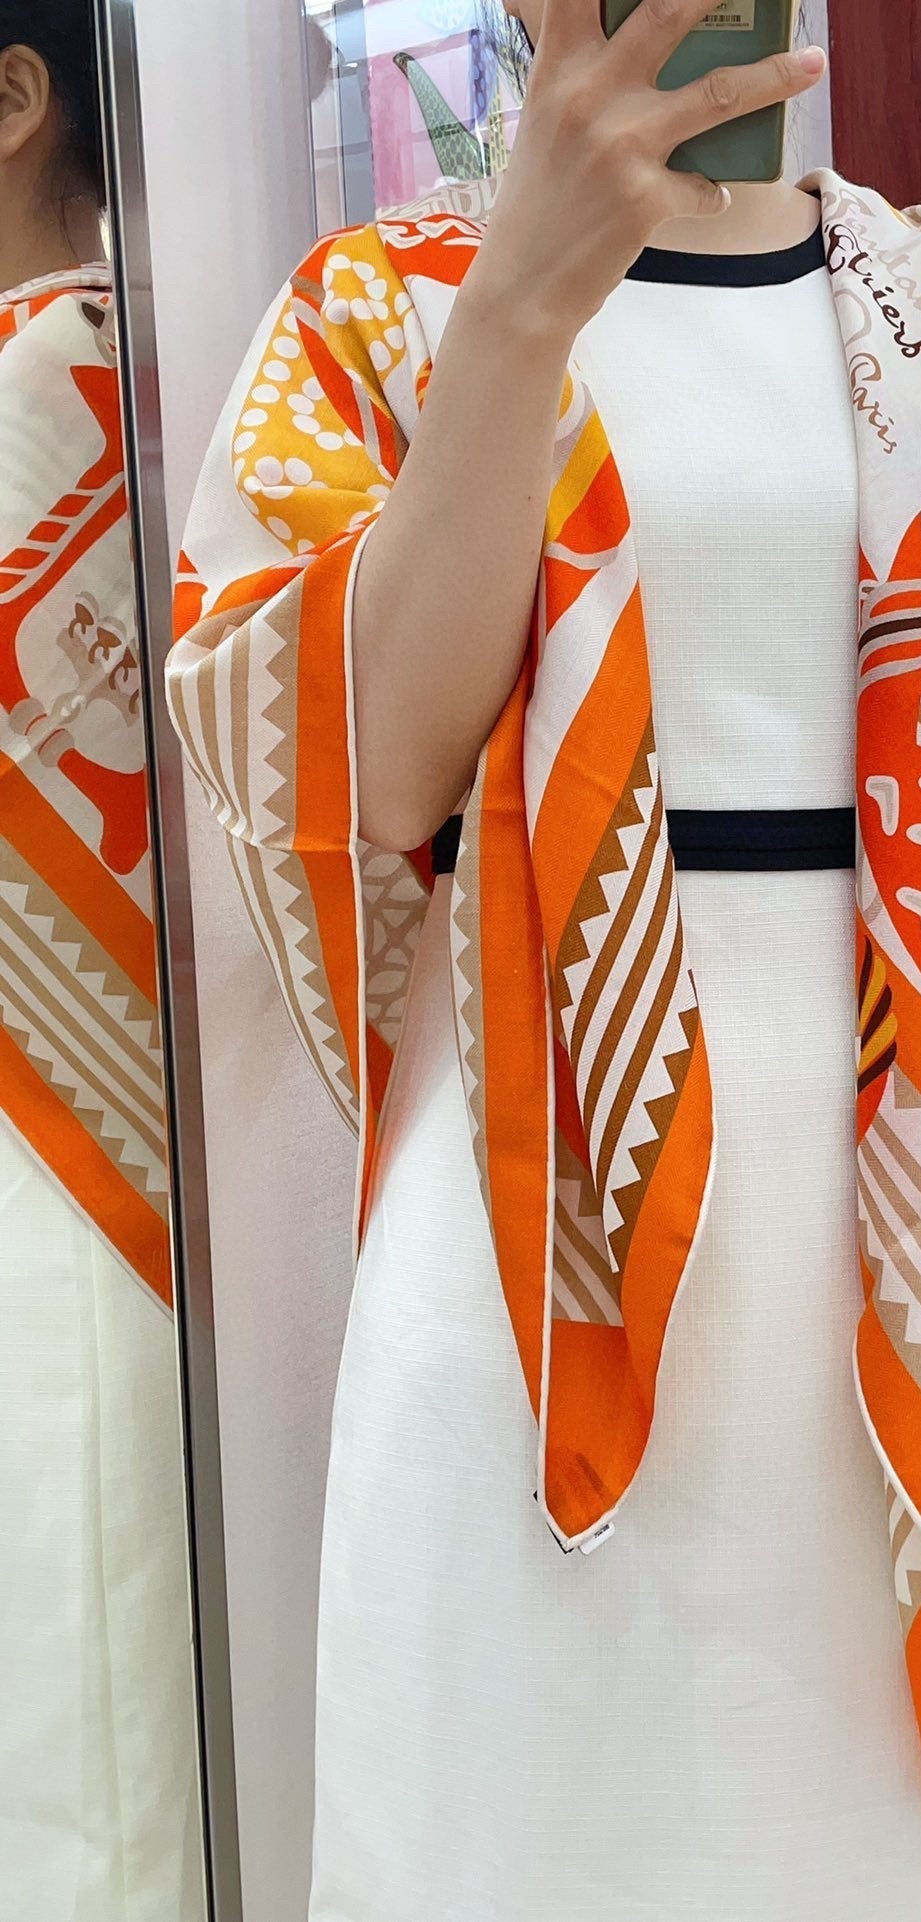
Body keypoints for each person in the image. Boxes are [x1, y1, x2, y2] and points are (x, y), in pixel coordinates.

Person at [169, 2, 921, 1917]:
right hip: (524, 1233)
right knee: (525, 1818)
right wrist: (524, 299)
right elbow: (362, 777)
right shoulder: (380, 304)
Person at [0, 7, 201, 1918]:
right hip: (135, 1114)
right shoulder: (171, 357)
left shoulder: (44, 372)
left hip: (54, 1137)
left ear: (16, 97)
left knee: (84, 1698)